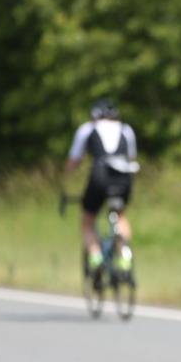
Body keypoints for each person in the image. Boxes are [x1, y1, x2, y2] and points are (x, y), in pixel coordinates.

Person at [65, 98, 138, 274]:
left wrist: (66, 183)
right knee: (120, 215)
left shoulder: (87, 129)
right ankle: (125, 257)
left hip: (99, 176)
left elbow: (74, 160)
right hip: (124, 177)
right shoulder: (126, 130)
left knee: (88, 220)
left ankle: (96, 259)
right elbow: (131, 158)